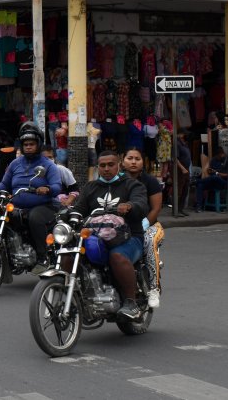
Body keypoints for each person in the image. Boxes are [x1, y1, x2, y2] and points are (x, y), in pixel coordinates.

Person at [70, 150, 150, 319]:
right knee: (69, 251)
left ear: (119, 165)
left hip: (129, 237)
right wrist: (66, 214)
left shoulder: (132, 184)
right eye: (102, 165)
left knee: (117, 256)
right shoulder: (91, 187)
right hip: (95, 235)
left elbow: (142, 204)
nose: (106, 168)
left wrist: (129, 206)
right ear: (98, 167)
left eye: (110, 165)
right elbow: (79, 209)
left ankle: (131, 302)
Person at [0, 124, 62, 275]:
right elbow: (4, 184)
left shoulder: (47, 165)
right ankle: (6, 254)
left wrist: (47, 189)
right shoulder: (15, 164)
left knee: (35, 217)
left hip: (45, 206)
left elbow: (57, 186)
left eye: (31, 144)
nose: (28, 147)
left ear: (38, 145)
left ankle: (43, 258)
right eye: (25, 144)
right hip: (17, 205)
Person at [123, 147, 165, 309]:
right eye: (130, 158)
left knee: (148, 242)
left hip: (150, 226)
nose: (133, 162)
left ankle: (154, 288)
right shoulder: (117, 180)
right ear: (123, 161)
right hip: (123, 225)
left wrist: (143, 225)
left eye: (137, 159)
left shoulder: (151, 181)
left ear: (143, 162)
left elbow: (156, 209)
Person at [194, 146, 228, 212]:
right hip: (212, 181)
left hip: (222, 182)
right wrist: (210, 171)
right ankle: (199, 206)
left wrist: (217, 173)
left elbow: (227, 175)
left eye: (218, 155)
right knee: (200, 186)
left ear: (221, 154)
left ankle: (196, 181)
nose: (217, 157)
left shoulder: (227, 161)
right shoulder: (214, 160)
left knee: (215, 177)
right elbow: (210, 170)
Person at [172, 133, 192, 216]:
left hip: (186, 169)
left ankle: (181, 209)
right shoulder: (177, 144)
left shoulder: (184, 144)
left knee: (185, 190)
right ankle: (175, 210)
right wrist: (182, 168)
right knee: (179, 190)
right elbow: (175, 158)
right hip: (180, 169)